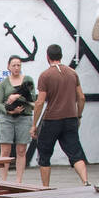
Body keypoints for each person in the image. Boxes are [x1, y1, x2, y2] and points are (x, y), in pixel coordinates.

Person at [30, 43, 90, 187]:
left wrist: (34, 125)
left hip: (51, 119)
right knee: (75, 153)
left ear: (47, 57)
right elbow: (81, 97)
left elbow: (40, 102)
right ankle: (85, 181)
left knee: (44, 154)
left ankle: (46, 187)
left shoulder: (45, 75)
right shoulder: (72, 73)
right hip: (70, 118)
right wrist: (79, 116)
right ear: (61, 56)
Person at [0, 55, 35, 182]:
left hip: (24, 117)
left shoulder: (28, 80)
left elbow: (32, 98)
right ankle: (4, 180)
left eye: (19, 65)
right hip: (7, 118)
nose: (16, 68)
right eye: (14, 65)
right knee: (5, 150)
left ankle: (19, 180)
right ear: (8, 67)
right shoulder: (4, 83)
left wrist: (16, 97)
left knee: (21, 150)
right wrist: (9, 110)